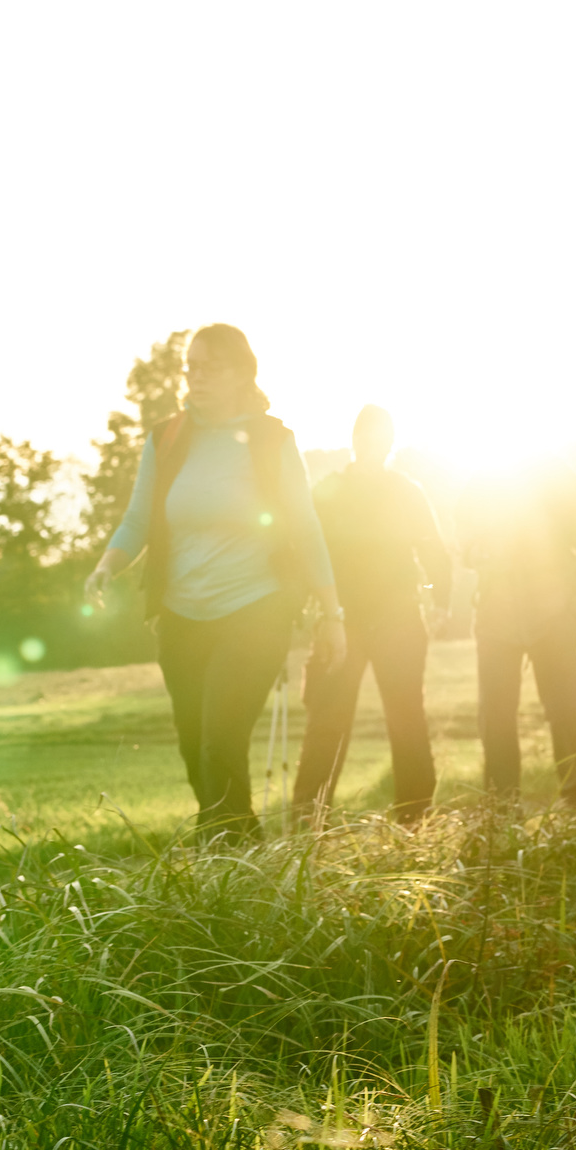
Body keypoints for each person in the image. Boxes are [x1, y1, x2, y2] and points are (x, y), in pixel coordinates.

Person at [85, 324, 345, 841]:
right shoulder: (168, 437)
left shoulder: (273, 439)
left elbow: (304, 525)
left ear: (243, 372)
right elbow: (138, 519)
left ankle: (225, 867)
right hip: (181, 616)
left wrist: (332, 613)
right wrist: (106, 566)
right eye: (191, 366)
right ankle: (241, 859)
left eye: (210, 367)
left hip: (256, 610)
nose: (196, 376)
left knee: (220, 742)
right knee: (195, 747)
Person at [290, 406, 451, 823]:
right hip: (342, 620)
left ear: (389, 444)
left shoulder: (407, 491)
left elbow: (433, 550)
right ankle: (309, 818)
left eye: (382, 439)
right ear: (356, 439)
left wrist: (437, 598)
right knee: (328, 721)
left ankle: (415, 817)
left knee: (406, 719)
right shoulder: (328, 491)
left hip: (399, 619)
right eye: (369, 437)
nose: (375, 445)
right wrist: (308, 609)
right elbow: (307, 550)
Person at [458, 459, 576, 806]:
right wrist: (475, 550)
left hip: (554, 619)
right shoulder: (483, 479)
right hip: (496, 621)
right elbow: (462, 535)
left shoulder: (565, 483)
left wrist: (575, 612)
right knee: (495, 718)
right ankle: (501, 809)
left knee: (568, 711)